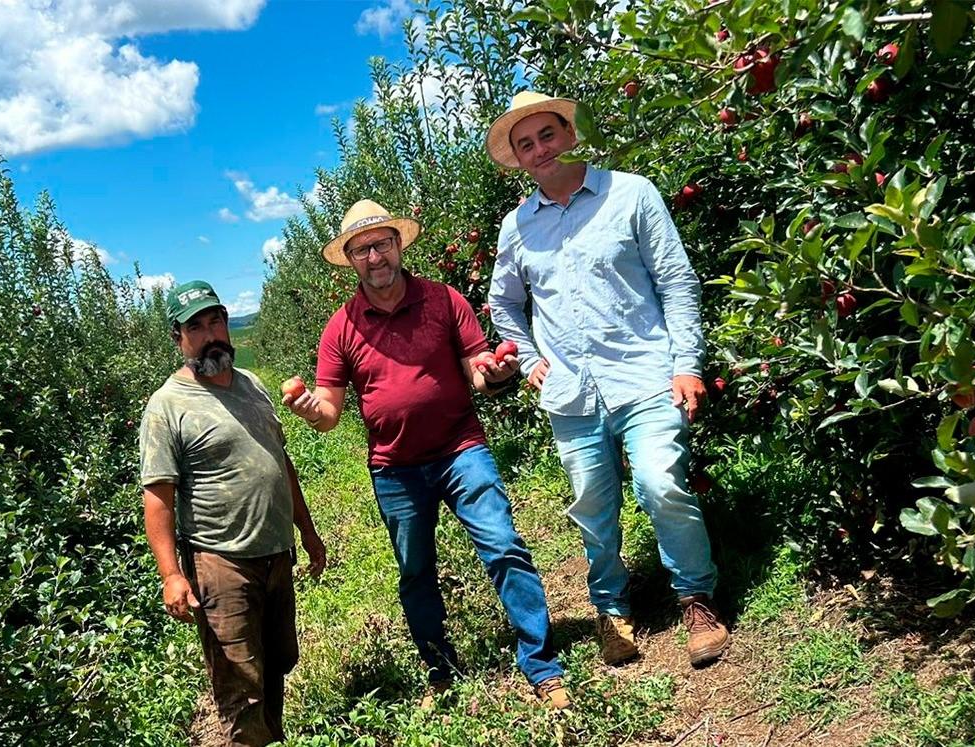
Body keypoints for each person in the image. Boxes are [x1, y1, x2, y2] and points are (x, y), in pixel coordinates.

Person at [283, 200, 570, 709]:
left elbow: (476, 371)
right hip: (395, 468)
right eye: (362, 249)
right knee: (416, 569)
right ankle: (441, 667)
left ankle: (542, 666)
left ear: (399, 245)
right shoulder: (341, 328)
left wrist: (494, 373)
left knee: (504, 545)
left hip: (461, 448)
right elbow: (329, 412)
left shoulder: (443, 301)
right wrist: (309, 408)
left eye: (382, 243)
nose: (375, 256)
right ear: (350, 260)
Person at [484, 91, 730, 667]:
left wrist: (687, 363)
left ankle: (695, 597)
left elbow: (676, 281)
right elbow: (504, 307)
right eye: (525, 144)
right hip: (570, 391)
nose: (539, 149)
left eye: (546, 135)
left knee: (660, 482)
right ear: (518, 159)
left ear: (569, 135)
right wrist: (526, 359)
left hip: (643, 374)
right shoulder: (516, 228)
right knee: (593, 505)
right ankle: (611, 607)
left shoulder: (631, 194)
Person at [140, 279, 327, 747]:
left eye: (216, 321)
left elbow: (281, 465)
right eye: (196, 327)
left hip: (275, 553)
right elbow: (158, 495)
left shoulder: (253, 386)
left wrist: (307, 532)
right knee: (239, 688)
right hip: (220, 561)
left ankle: (273, 737)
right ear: (178, 337)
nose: (210, 334)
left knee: (275, 666)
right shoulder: (168, 406)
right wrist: (171, 575)